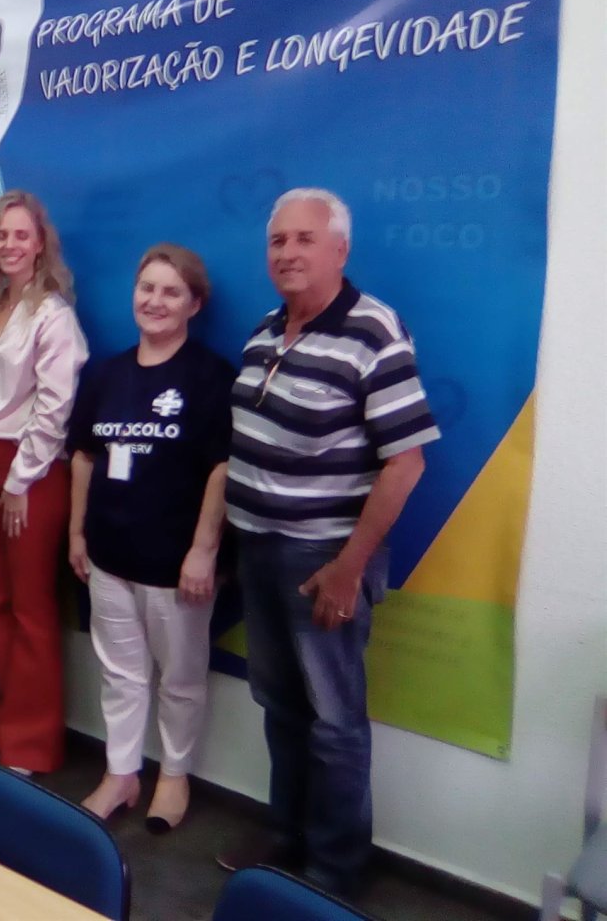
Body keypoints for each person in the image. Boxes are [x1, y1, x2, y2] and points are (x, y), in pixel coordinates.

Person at [216, 188, 439, 896]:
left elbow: (406, 463)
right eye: (277, 240)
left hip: (324, 562)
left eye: (304, 239)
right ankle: (287, 838)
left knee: (335, 722)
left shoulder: (373, 331)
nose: (287, 252)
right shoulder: (263, 332)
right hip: (258, 551)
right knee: (280, 706)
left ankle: (334, 874)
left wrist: (348, 569)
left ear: (340, 249)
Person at [67, 244, 235, 830]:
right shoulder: (108, 374)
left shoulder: (212, 377)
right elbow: (84, 455)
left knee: (181, 679)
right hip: (109, 555)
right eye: (147, 288)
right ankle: (121, 773)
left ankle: (173, 776)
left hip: (176, 563)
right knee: (121, 674)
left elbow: (223, 466)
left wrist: (203, 551)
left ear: (194, 304)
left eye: (171, 292)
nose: (155, 301)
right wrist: (76, 533)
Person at [0, 190, 88, 775]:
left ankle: (33, 744)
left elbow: (54, 407)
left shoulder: (53, 314)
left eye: (21, 235)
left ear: (41, 244)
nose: (10, 244)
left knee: (33, 610)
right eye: (1, 235)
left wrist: (19, 479)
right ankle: (1, 728)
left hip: (32, 473)